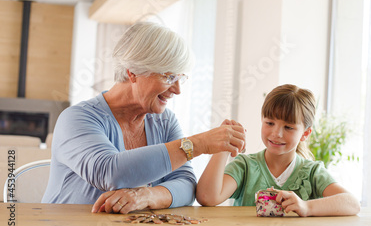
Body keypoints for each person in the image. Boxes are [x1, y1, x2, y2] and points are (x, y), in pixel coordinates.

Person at [42, 22, 246, 214]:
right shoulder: (76, 118)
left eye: (180, 78)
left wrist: (146, 196)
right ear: (133, 73)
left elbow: (185, 183)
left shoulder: (164, 121)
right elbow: (110, 173)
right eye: (168, 77)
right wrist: (198, 144)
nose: (177, 90)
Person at [196, 84, 360, 216]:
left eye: (288, 127)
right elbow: (207, 197)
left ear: (305, 133)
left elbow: (352, 203)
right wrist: (223, 146)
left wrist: (306, 207)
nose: (276, 133)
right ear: (262, 121)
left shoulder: (312, 172)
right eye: (269, 123)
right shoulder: (245, 166)